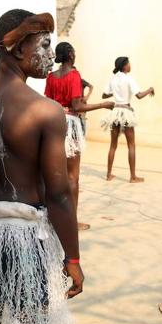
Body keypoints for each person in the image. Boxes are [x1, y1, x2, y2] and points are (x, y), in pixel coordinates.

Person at [0, 9, 83, 324]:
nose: (51, 54)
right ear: (18, 50)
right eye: (45, 45)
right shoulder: (44, 111)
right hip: (26, 239)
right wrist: (72, 258)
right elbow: (59, 194)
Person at [45, 42, 112, 230]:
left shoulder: (51, 77)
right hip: (70, 125)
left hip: (53, 123)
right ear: (70, 55)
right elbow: (77, 106)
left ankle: (54, 218)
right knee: (73, 177)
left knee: (55, 175)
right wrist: (103, 105)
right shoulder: (74, 75)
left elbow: (48, 102)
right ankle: (71, 221)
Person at [102, 56, 154, 182]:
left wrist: (115, 92)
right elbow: (139, 95)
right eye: (129, 63)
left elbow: (104, 95)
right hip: (126, 112)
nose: (130, 65)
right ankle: (133, 177)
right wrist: (150, 89)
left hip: (115, 112)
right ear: (124, 66)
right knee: (131, 145)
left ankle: (108, 175)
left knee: (113, 145)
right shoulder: (129, 78)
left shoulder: (113, 79)